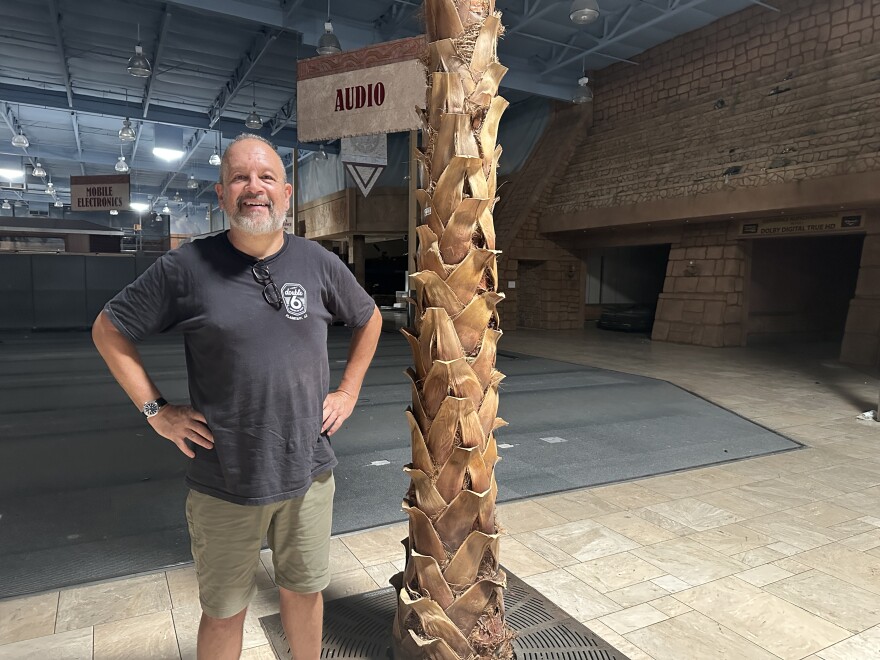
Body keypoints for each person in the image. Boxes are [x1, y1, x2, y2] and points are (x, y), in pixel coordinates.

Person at [92, 134, 382, 660]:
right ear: (222, 194)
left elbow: (369, 317)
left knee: (305, 590)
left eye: (267, 177)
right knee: (224, 610)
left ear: (287, 193)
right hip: (223, 478)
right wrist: (157, 412)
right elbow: (109, 330)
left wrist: (347, 390)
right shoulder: (187, 267)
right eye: (241, 178)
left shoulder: (317, 263)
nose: (255, 188)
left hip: (308, 471)